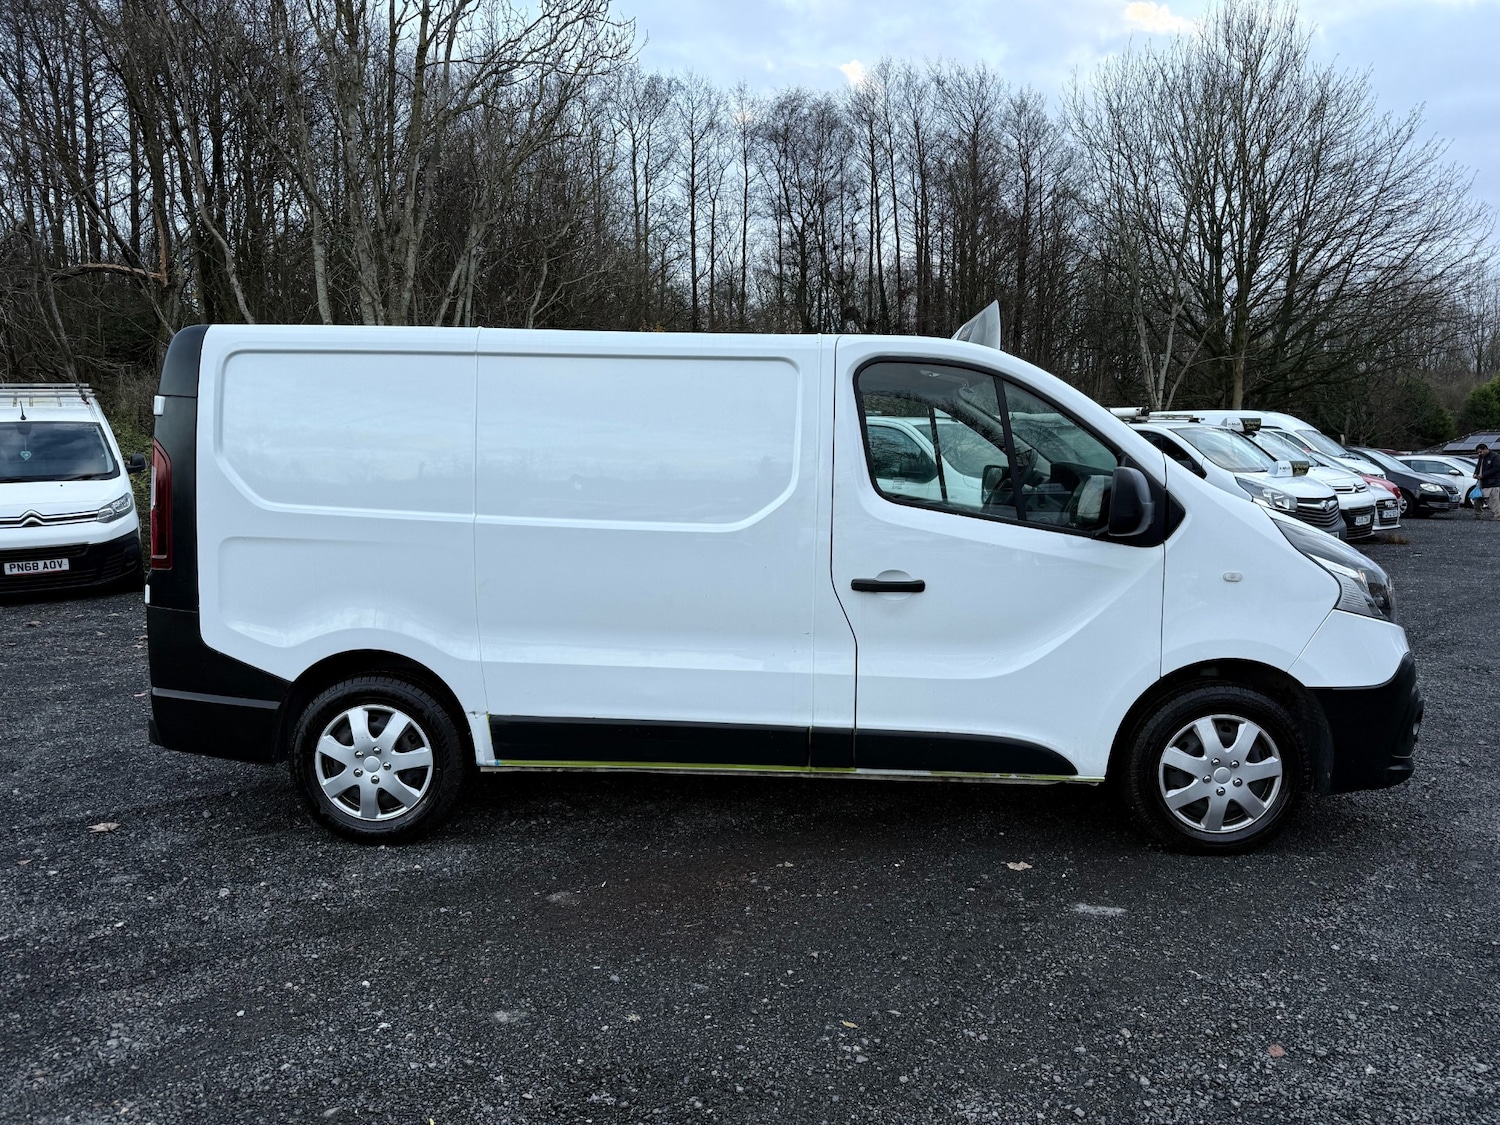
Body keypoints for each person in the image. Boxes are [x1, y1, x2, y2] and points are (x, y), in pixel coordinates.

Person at [1475, 443, 1500, 521]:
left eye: (1481, 452)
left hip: (1493, 483)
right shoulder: (1481, 457)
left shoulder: (1495, 457)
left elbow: (1497, 468)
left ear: (1486, 449)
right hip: (1482, 482)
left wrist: (1483, 475)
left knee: (1493, 500)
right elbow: (1478, 466)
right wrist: (1476, 473)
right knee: (1477, 499)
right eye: (1478, 452)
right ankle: (1477, 514)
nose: (1479, 454)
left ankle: (1497, 515)